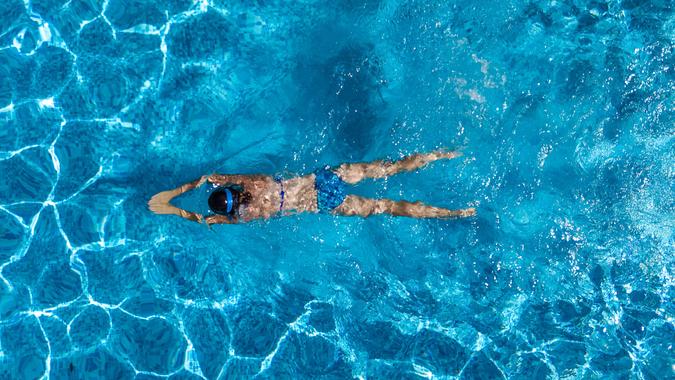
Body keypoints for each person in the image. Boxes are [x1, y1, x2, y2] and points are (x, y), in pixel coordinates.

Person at [148, 150, 476, 225]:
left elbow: (203, 220)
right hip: (323, 180)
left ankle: (453, 213)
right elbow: (207, 178)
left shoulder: (242, 216)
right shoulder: (247, 182)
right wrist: (181, 188)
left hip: (323, 203)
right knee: (387, 168)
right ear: (231, 190)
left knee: (385, 207)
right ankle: (438, 155)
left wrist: (173, 208)